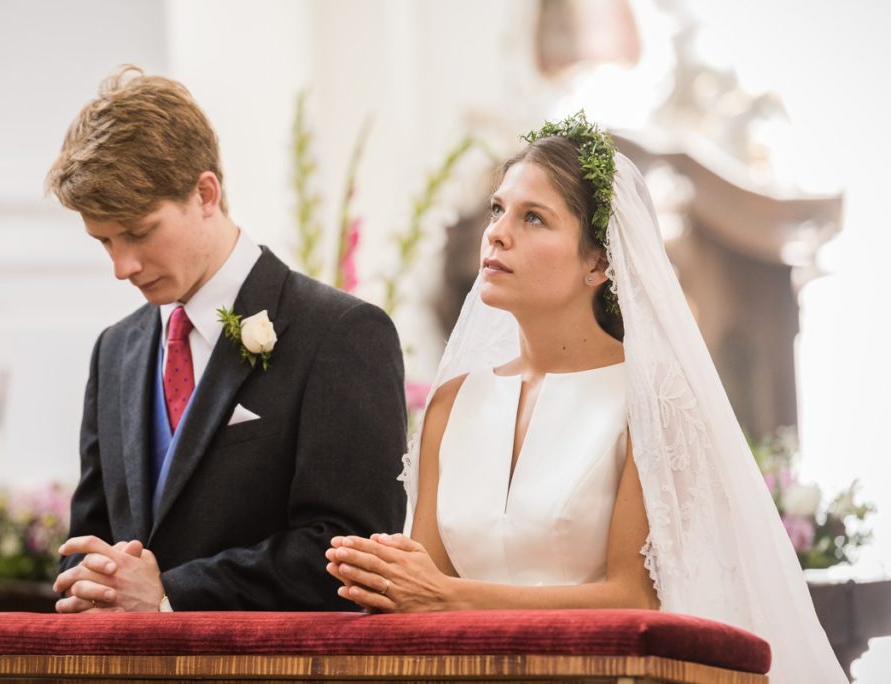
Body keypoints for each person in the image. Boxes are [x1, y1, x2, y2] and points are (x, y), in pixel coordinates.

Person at [325, 113, 845, 683]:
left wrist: (448, 596)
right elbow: (423, 591)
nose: (497, 232)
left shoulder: (648, 401)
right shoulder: (452, 405)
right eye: (498, 209)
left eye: (533, 218)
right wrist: (383, 577)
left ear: (597, 261)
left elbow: (633, 598)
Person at [46, 65, 407, 612]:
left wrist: (172, 594)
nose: (123, 266)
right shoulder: (115, 351)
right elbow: (92, 537)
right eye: (105, 242)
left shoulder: (340, 334)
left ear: (206, 192)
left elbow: (350, 551)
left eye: (139, 233)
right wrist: (89, 580)